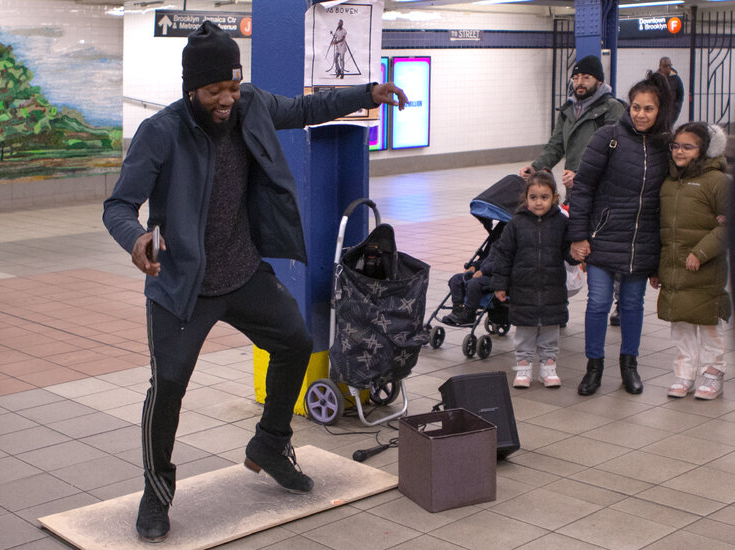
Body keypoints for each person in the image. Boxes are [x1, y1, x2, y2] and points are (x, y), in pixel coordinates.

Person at [102, 21, 408, 543]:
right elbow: (118, 205)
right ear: (190, 90)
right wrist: (136, 239)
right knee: (168, 388)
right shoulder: (162, 132)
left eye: (231, 86)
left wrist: (365, 93)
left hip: (242, 271)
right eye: (213, 91)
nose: (226, 99)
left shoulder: (253, 105)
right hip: (184, 286)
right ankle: (157, 490)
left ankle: (270, 442)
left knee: (294, 341)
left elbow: (307, 109)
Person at [568, 72, 674, 396]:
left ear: (660, 111)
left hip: (641, 243)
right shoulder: (608, 138)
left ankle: (629, 364)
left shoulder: (665, 146)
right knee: (598, 303)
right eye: (636, 107)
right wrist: (578, 236)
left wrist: (661, 259)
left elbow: (671, 199)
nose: (640, 114)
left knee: (632, 304)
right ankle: (594, 366)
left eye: (649, 109)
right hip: (602, 238)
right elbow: (583, 187)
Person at [652, 123, 729, 399]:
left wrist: (701, 252)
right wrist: (657, 268)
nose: (679, 151)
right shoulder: (669, 182)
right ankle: (684, 374)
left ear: (704, 150)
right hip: (674, 267)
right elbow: (662, 228)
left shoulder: (718, 182)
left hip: (705, 268)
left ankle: (713, 372)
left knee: (708, 322)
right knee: (681, 323)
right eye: (675, 146)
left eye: (688, 146)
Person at [491, 172, 573, 389]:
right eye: (534, 197)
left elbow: (568, 250)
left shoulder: (561, 223)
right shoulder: (516, 224)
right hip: (522, 288)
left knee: (549, 330)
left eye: (544, 197)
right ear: (526, 198)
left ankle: (548, 367)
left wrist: (577, 254)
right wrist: (500, 284)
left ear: (554, 198)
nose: (539, 202)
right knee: (525, 331)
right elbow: (504, 254)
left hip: (552, 287)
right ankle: (523, 368)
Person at [519, 55, 626, 206]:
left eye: (586, 77)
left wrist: (582, 175)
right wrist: (535, 167)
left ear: (600, 81)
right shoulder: (568, 110)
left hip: (601, 191)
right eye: (575, 78)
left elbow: (612, 151)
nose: (579, 83)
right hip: (574, 189)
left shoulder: (612, 108)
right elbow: (556, 145)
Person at [442, 256, 494, 326]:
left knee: (473, 283)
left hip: (497, 277)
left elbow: (503, 264)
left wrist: (483, 271)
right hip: (484, 272)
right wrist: (474, 266)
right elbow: (485, 260)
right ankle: (457, 311)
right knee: (456, 279)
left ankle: (469, 315)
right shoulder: (495, 246)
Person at [655, 57, 685, 125]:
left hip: (672, 110)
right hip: (659, 110)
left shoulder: (675, 78)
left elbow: (680, 94)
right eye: (665, 66)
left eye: (669, 65)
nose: (668, 68)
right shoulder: (656, 78)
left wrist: (677, 106)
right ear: (660, 66)